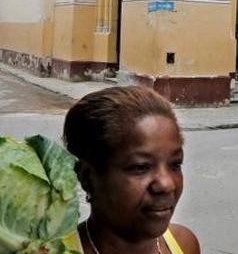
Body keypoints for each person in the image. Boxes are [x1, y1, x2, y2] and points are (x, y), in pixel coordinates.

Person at [61, 86, 201, 254]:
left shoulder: (184, 244)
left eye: (175, 164)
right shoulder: (54, 250)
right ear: (87, 178)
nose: (166, 184)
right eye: (141, 167)